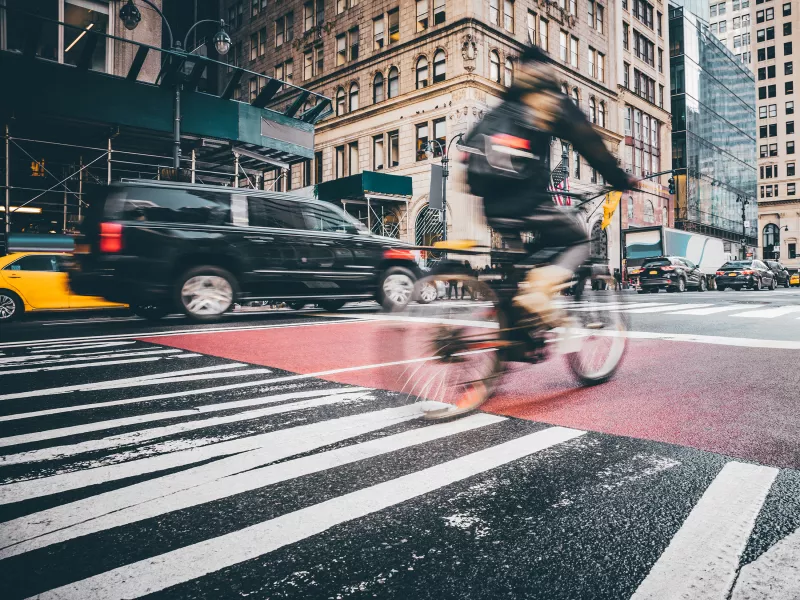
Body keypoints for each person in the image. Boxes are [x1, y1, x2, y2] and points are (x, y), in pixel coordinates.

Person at [479, 45, 635, 326]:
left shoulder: (505, 103)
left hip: (490, 202)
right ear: (546, 69)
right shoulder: (548, 100)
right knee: (579, 241)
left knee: (527, 262)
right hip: (526, 200)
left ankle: (513, 331)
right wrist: (619, 179)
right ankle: (537, 297)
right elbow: (590, 145)